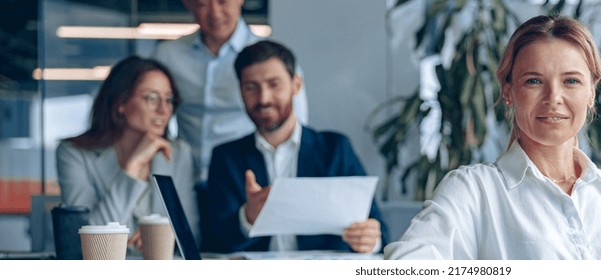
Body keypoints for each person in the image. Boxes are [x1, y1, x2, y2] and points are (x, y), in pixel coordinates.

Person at [384, 15, 601, 260]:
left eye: (571, 81)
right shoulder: (473, 191)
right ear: (508, 92)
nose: (553, 97)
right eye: (533, 81)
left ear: (591, 92)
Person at [201, 40, 387, 254]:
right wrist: (248, 218)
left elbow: (379, 230)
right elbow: (213, 244)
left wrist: (370, 240)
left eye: (274, 84)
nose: (263, 98)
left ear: (296, 85)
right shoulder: (226, 158)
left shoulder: (335, 149)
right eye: (251, 87)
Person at [151, 0, 308, 186]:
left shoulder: (271, 60)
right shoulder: (168, 56)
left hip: (243, 180)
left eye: (223, 1)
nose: (215, 13)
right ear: (188, 4)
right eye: (202, 4)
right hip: (184, 178)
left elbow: (295, 126)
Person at [56, 56, 199, 250]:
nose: (164, 110)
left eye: (168, 99)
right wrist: (133, 167)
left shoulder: (179, 154)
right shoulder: (74, 154)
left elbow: (191, 237)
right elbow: (89, 244)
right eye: (152, 98)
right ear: (120, 103)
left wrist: (161, 240)